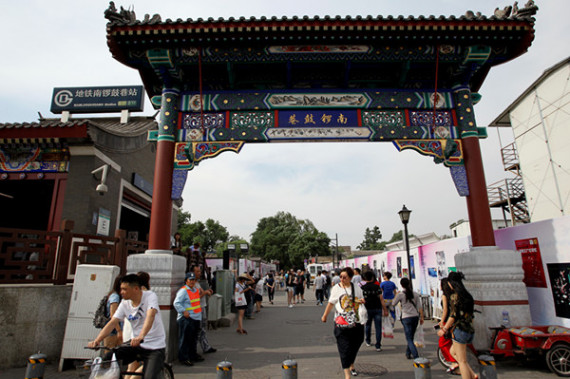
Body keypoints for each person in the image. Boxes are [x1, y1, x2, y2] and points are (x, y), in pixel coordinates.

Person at [88, 274, 166, 379]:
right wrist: (97, 340)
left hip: (155, 346)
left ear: (136, 289)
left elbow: (150, 315)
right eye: (121, 289)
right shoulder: (124, 303)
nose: (121, 292)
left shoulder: (150, 296)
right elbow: (112, 322)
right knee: (108, 358)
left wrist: (141, 336)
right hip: (136, 345)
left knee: (149, 377)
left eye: (125, 289)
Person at [321, 267, 365, 379]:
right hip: (341, 322)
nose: (341, 279)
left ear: (350, 278)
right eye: (340, 276)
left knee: (357, 343)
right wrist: (325, 315)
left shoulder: (356, 288)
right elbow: (331, 303)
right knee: (344, 347)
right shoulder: (336, 288)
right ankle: (347, 374)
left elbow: (361, 299)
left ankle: (351, 363)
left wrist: (361, 301)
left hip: (356, 321)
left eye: (344, 277)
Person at [437, 272, 477, 379]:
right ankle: (473, 374)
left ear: (451, 283)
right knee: (453, 352)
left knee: (462, 361)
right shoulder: (468, 295)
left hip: (459, 329)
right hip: (469, 329)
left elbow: (453, 315)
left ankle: (468, 376)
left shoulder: (455, 296)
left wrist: (444, 329)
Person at [173, 272, 206, 366]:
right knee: (185, 339)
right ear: (186, 281)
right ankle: (184, 358)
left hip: (195, 317)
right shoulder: (183, 291)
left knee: (193, 339)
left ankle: (192, 355)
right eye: (190, 280)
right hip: (186, 318)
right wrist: (184, 311)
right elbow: (176, 303)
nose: (192, 282)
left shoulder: (195, 290)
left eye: (194, 280)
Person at [392, 277, 424, 360]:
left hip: (406, 317)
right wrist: (422, 317)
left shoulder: (400, 294)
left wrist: (396, 295)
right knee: (411, 336)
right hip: (415, 316)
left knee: (409, 338)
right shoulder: (415, 294)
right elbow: (419, 306)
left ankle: (416, 356)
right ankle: (408, 353)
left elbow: (393, 303)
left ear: (402, 285)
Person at [361, 271, 389, 351]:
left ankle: (368, 341)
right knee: (378, 327)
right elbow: (381, 299)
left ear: (364, 279)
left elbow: (361, 300)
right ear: (372, 278)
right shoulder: (377, 287)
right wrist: (385, 310)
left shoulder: (362, 288)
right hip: (377, 309)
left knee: (368, 325)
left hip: (367, 309)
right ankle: (378, 345)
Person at [192, 265, 217, 354]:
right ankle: (195, 350)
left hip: (202, 306)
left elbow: (201, 292)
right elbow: (195, 298)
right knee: (199, 329)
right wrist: (205, 292)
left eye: (199, 271)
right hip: (197, 308)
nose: (199, 273)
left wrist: (207, 291)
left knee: (202, 328)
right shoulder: (191, 284)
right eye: (197, 271)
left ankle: (205, 346)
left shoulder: (197, 283)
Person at [438, 277, 457, 372]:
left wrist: (442, 322)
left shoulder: (445, 295)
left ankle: (454, 362)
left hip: (448, 321)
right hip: (453, 321)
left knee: (443, 343)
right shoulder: (453, 295)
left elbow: (445, 310)